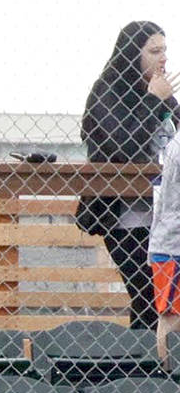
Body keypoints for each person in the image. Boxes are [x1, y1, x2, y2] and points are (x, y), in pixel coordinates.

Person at [78, 22, 180, 331]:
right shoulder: (108, 90)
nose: (163, 58)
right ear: (132, 53)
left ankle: (154, 367)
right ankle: (143, 368)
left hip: (163, 215)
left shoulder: (157, 89)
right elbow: (123, 147)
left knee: (166, 298)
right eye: (154, 51)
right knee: (147, 295)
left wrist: (162, 100)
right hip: (125, 215)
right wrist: (152, 100)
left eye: (164, 50)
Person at [149, 123, 180, 369]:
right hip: (174, 244)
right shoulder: (177, 145)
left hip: (168, 240)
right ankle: (169, 378)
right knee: (172, 318)